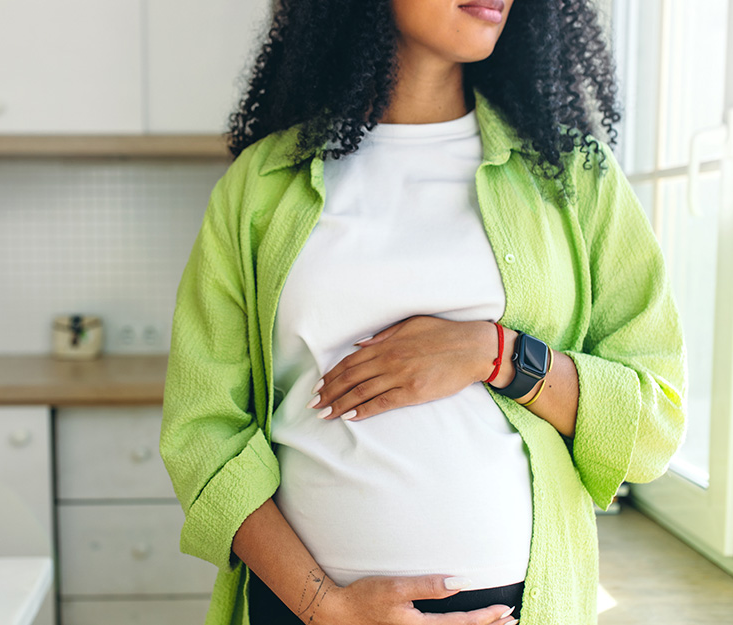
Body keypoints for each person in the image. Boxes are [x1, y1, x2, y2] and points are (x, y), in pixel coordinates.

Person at [160, 0, 687, 624]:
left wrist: (496, 354)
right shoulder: (264, 182)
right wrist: (324, 606)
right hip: (304, 610)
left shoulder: (573, 177)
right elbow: (203, 431)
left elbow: (652, 424)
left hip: (511, 608)